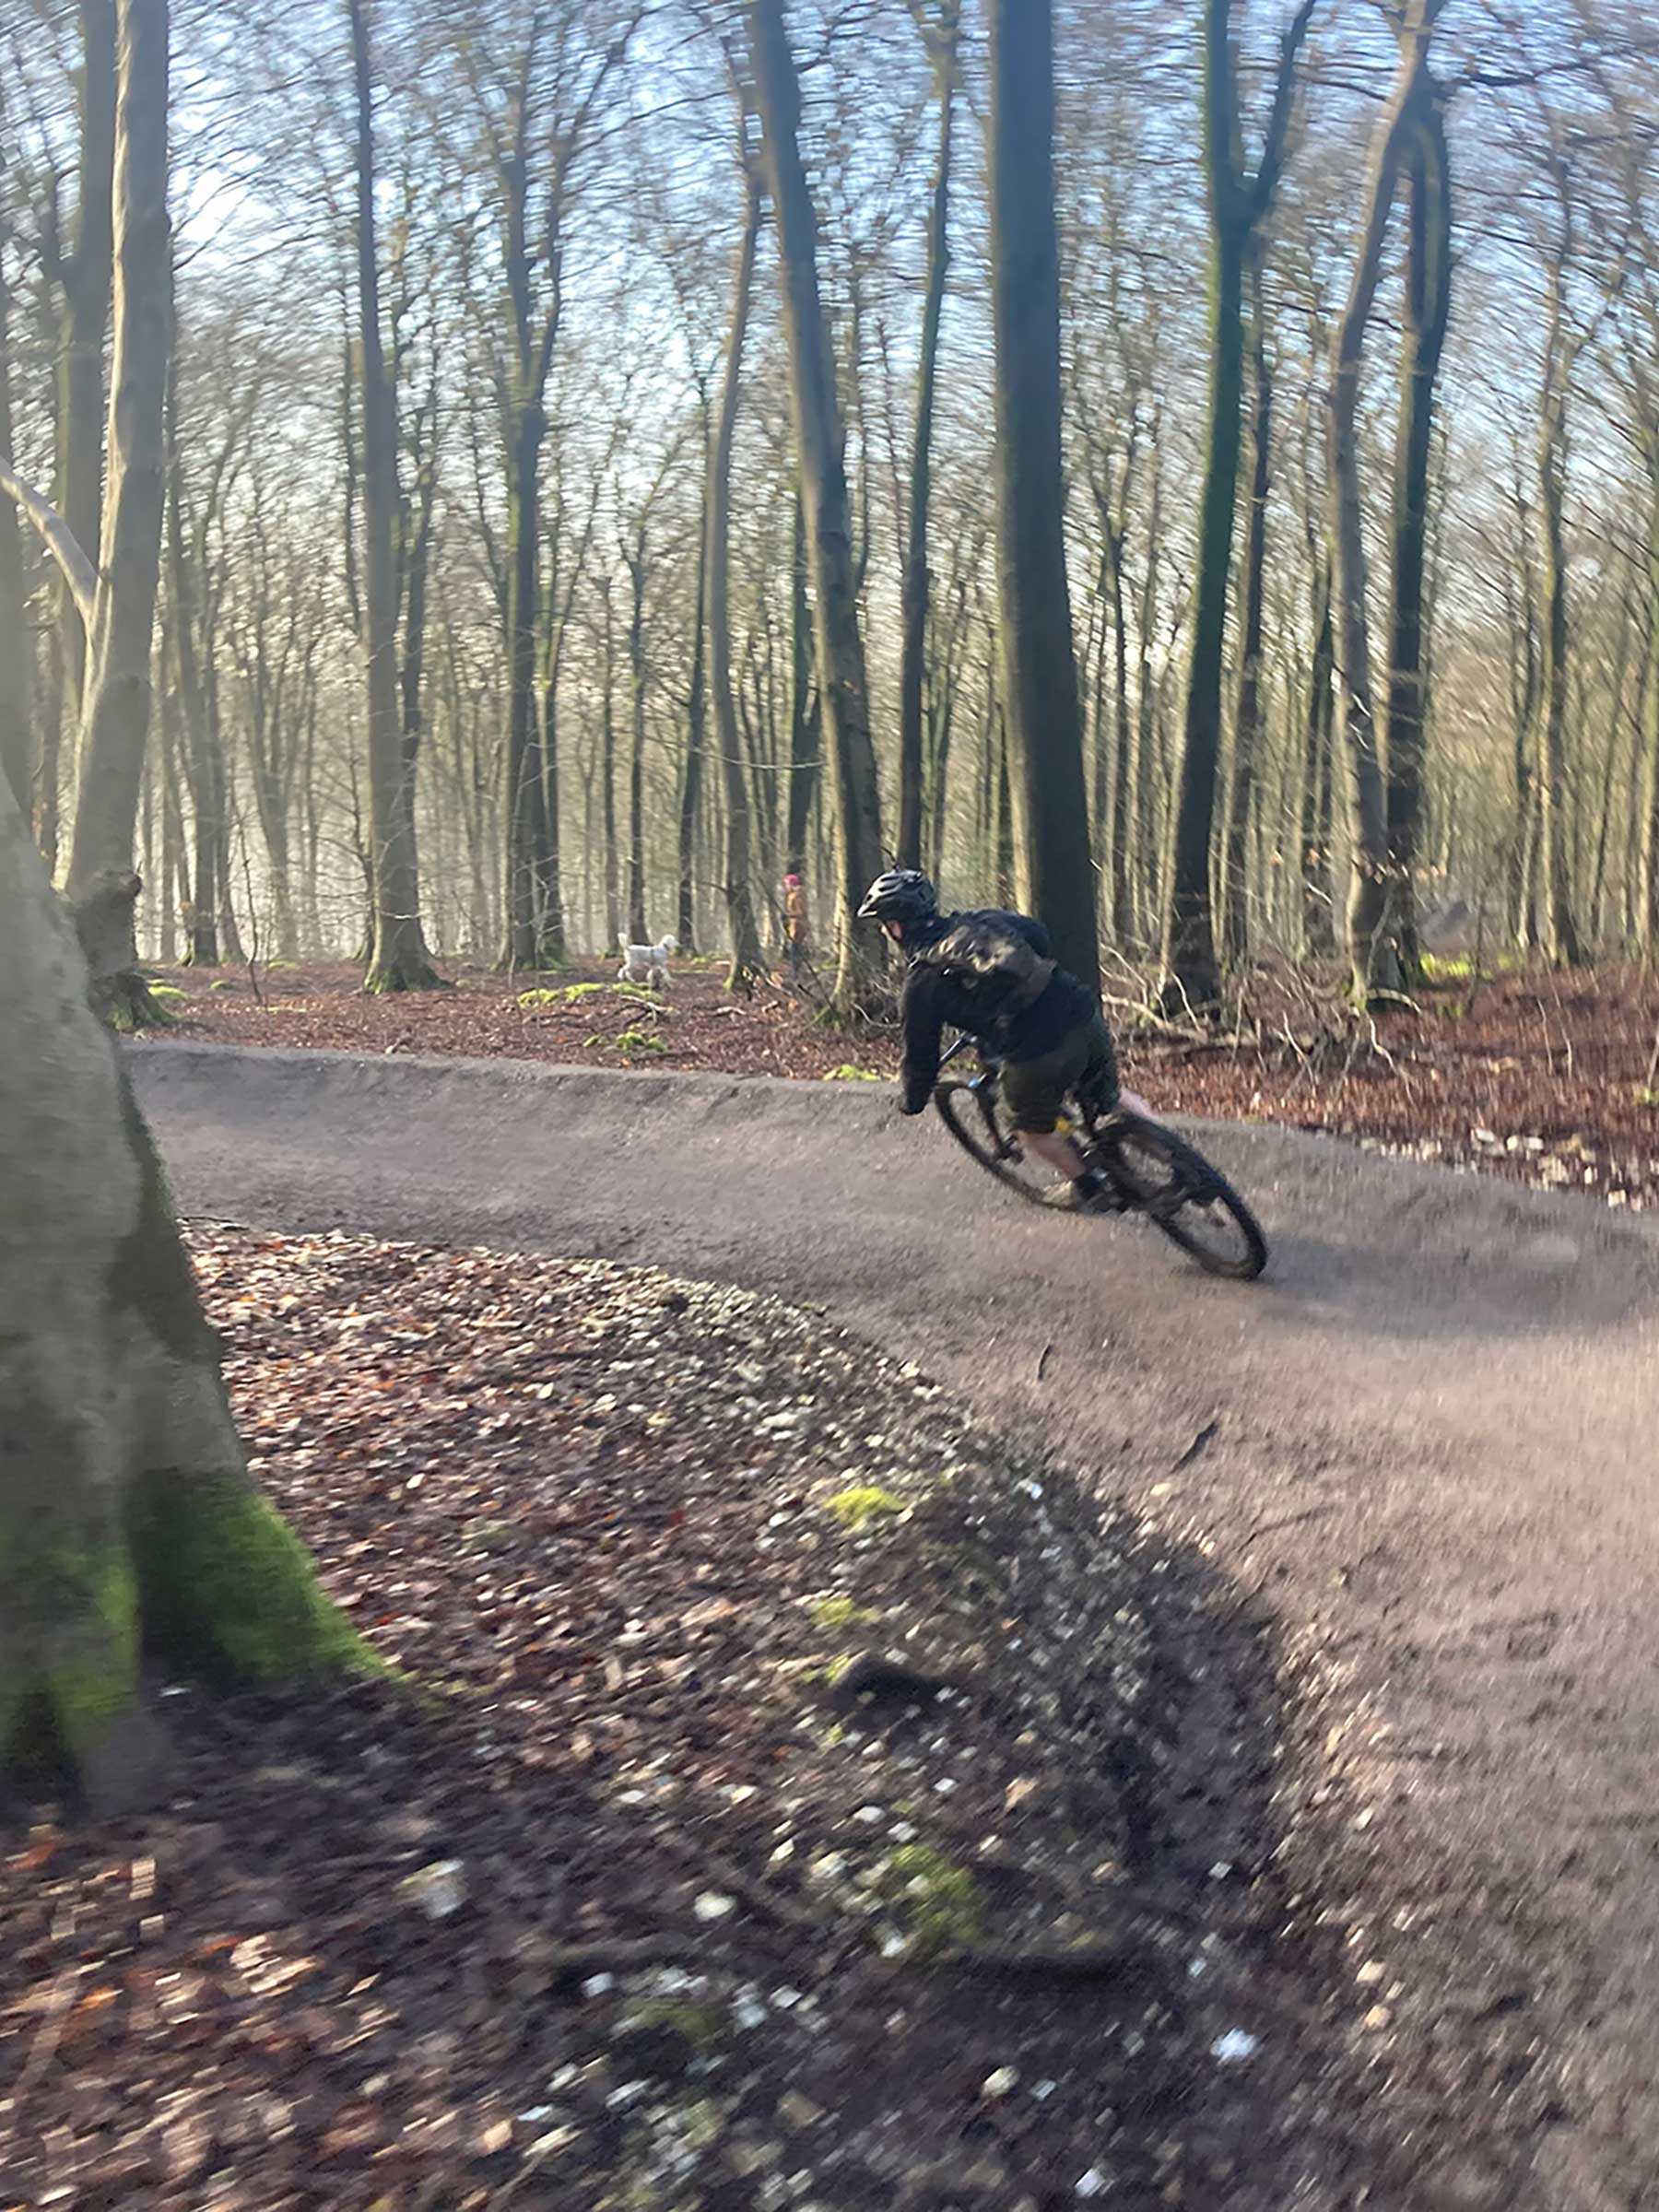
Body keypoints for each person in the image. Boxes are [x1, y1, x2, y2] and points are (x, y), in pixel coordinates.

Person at [857, 868, 1123, 1211]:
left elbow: (920, 1060)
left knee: (1028, 1127)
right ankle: (1179, 1159)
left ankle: (1089, 1188)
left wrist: (912, 1101)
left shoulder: (921, 983)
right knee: (1114, 1099)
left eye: (886, 924)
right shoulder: (983, 920)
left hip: (1038, 1051)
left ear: (896, 927)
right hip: (1081, 1011)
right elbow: (1039, 935)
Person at [782, 872, 810, 974]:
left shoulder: (797, 896)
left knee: (796, 950)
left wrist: (789, 915)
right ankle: (795, 972)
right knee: (794, 950)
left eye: (787, 884)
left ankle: (796, 973)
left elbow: (801, 912)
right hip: (794, 926)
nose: (785, 887)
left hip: (798, 927)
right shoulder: (792, 895)